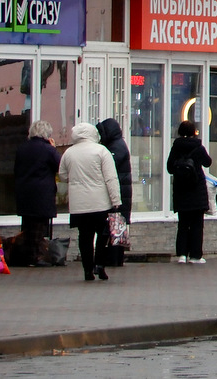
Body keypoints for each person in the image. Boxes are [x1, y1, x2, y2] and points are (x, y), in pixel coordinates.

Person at [58, 122, 121, 281]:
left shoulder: (69, 153)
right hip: (100, 203)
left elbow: (63, 175)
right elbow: (111, 178)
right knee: (103, 234)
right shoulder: (101, 151)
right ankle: (100, 264)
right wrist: (116, 200)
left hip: (79, 205)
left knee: (85, 236)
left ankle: (87, 269)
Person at [14, 120, 61, 267]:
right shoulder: (48, 150)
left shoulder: (22, 148)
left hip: (24, 191)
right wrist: (53, 148)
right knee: (39, 227)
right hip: (42, 193)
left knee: (27, 226)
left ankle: (25, 256)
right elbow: (59, 166)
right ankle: (34, 257)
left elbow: (16, 169)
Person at [167, 120, 212, 264]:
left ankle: (182, 255)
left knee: (183, 224)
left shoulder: (176, 147)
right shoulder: (198, 147)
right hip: (197, 190)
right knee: (197, 225)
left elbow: (169, 168)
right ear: (194, 132)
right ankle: (195, 256)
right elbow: (208, 162)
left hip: (181, 191)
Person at [96, 118, 133, 267]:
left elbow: (109, 166)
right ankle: (115, 258)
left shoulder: (116, 147)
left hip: (119, 193)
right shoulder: (117, 145)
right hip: (121, 192)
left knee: (115, 226)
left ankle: (114, 258)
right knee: (116, 226)